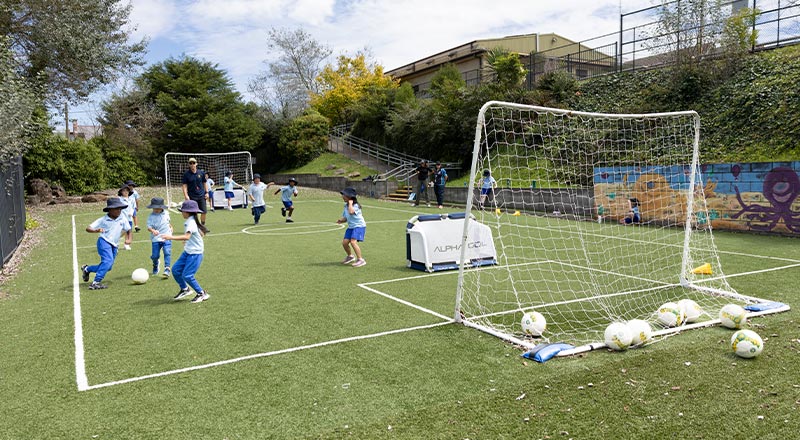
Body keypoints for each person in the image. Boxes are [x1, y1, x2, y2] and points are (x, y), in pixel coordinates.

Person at [162, 200, 210, 303]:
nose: (182, 213)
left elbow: (187, 236)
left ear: (187, 212)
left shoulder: (191, 222)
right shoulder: (191, 221)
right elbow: (199, 234)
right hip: (188, 252)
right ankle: (185, 289)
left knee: (187, 275)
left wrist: (170, 237)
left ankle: (201, 293)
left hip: (195, 253)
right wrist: (188, 242)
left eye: (183, 211)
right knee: (175, 270)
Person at [80, 197, 132, 290]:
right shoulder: (103, 219)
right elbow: (88, 228)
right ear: (110, 210)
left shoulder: (122, 218)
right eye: (117, 208)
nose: (119, 210)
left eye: (120, 208)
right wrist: (96, 230)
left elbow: (128, 229)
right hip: (104, 242)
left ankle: (87, 269)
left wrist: (129, 239)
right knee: (107, 262)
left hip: (114, 245)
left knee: (108, 267)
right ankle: (95, 282)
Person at [337, 187, 367, 267]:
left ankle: (361, 260)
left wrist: (350, 203)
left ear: (349, 196)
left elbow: (351, 212)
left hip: (359, 226)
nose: (342, 196)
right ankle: (350, 256)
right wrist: (341, 220)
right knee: (345, 243)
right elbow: (346, 217)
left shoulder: (356, 205)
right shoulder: (345, 206)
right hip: (351, 227)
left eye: (344, 195)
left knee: (353, 242)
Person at [146, 197, 173, 278]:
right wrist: (153, 230)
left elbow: (168, 222)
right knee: (155, 256)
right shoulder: (151, 216)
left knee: (167, 252)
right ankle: (155, 264)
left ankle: (167, 268)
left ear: (162, 207)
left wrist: (171, 227)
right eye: (154, 208)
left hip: (166, 236)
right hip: (156, 238)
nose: (156, 210)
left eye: (158, 208)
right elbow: (149, 227)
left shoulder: (166, 213)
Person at [181, 157, 209, 231]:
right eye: (190, 163)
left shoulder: (201, 173)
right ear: (189, 164)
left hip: (201, 195)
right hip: (192, 196)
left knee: (204, 212)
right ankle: (196, 227)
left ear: (196, 164)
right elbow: (184, 186)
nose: (192, 164)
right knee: (194, 213)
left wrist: (207, 192)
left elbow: (204, 183)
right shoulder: (186, 174)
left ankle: (202, 225)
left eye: (193, 163)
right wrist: (186, 196)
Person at [117, 185, 135, 250]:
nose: (126, 192)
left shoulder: (131, 199)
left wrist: (131, 212)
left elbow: (133, 207)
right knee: (122, 231)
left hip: (129, 218)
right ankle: (115, 239)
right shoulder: (119, 199)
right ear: (121, 192)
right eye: (124, 190)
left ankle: (126, 245)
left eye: (127, 190)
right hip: (122, 218)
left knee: (128, 231)